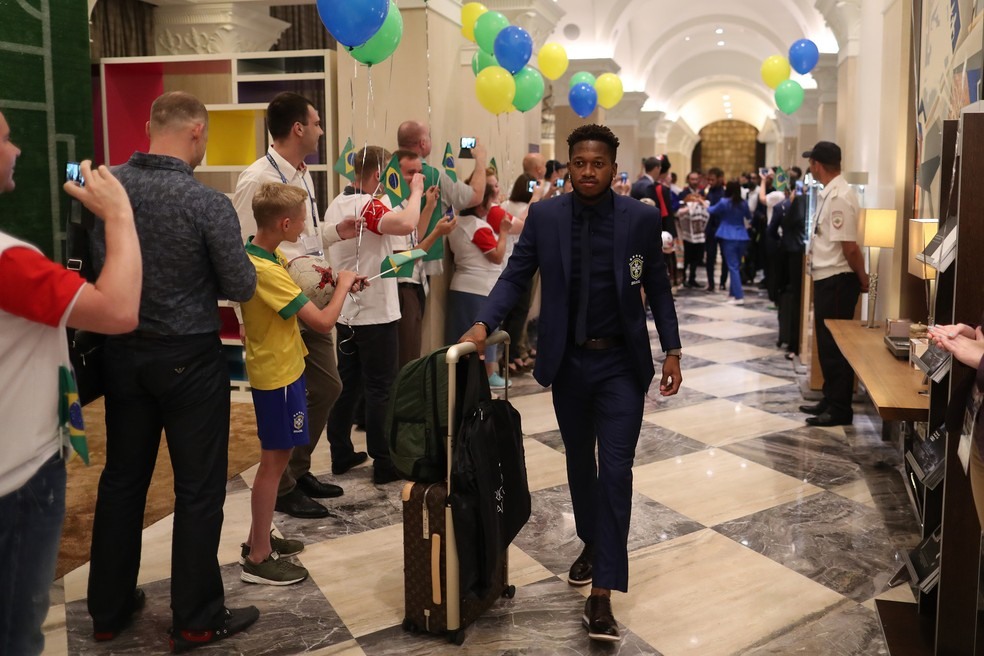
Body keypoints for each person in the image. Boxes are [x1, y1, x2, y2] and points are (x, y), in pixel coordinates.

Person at [459, 124, 683, 642]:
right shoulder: (546, 216)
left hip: (622, 366)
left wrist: (671, 349)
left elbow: (658, 289)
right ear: (569, 164)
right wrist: (483, 325)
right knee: (580, 465)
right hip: (570, 366)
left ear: (612, 166)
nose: (588, 171)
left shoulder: (641, 220)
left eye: (598, 163)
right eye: (579, 162)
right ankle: (592, 540)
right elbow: (515, 275)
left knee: (617, 471)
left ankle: (602, 595)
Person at [86, 92, 260, 650]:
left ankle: (108, 612)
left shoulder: (108, 187)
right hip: (189, 358)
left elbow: (92, 268)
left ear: (148, 126)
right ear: (196, 132)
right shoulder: (205, 203)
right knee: (198, 490)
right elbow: (241, 286)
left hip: (121, 354)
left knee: (122, 482)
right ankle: (196, 617)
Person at [0, 109, 142, 656]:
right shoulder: (11, 261)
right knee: (17, 630)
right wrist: (120, 215)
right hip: (19, 475)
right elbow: (119, 310)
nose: (17, 152)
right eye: (6, 140)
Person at [233, 91, 359, 520]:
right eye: (318, 122)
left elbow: (299, 238)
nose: (322, 130)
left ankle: (297, 470)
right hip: (278, 307)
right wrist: (244, 316)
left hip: (307, 296)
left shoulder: (303, 174)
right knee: (297, 396)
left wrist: (333, 233)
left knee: (328, 387)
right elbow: (247, 252)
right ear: (298, 128)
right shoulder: (257, 179)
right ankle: (282, 484)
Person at [239, 183, 366, 585]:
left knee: (275, 463)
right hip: (276, 376)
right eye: (303, 218)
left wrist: (336, 286)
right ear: (285, 222)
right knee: (273, 467)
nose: (307, 226)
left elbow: (305, 292)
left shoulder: (265, 252)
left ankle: (258, 537)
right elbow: (324, 323)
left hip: (286, 369)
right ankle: (258, 558)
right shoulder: (264, 269)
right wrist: (343, 287)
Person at [323, 146, 425, 484]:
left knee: (348, 384)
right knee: (381, 388)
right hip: (375, 313)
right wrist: (417, 191)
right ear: (379, 174)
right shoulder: (368, 204)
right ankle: (384, 463)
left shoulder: (337, 203)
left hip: (346, 311)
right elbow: (407, 222)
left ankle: (340, 452)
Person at [798, 141, 868, 427]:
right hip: (827, 277)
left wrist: (863, 278)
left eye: (811, 162)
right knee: (826, 346)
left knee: (836, 347)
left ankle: (840, 408)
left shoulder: (840, 196)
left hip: (838, 280)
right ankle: (830, 398)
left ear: (817, 164)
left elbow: (849, 247)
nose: (810, 167)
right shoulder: (831, 193)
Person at [446, 183, 513, 388]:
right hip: (479, 288)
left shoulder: (456, 222)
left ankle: (465, 381)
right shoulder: (478, 227)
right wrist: (503, 231)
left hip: (462, 286)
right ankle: (486, 376)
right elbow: (497, 256)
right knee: (484, 335)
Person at [393, 148, 451, 367]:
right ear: (394, 174)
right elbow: (405, 258)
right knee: (405, 357)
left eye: (420, 172)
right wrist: (436, 234)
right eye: (411, 172)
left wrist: (429, 206)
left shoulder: (407, 204)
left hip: (416, 284)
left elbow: (414, 236)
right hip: (402, 288)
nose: (418, 178)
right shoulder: (390, 205)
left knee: (413, 352)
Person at [710, 181, 752, 305]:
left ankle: (739, 296)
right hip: (742, 236)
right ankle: (733, 294)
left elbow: (712, 210)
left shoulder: (724, 202)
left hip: (728, 235)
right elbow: (749, 216)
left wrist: (703, 203)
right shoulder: (743, 203)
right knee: (736, 266)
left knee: (732, 267)